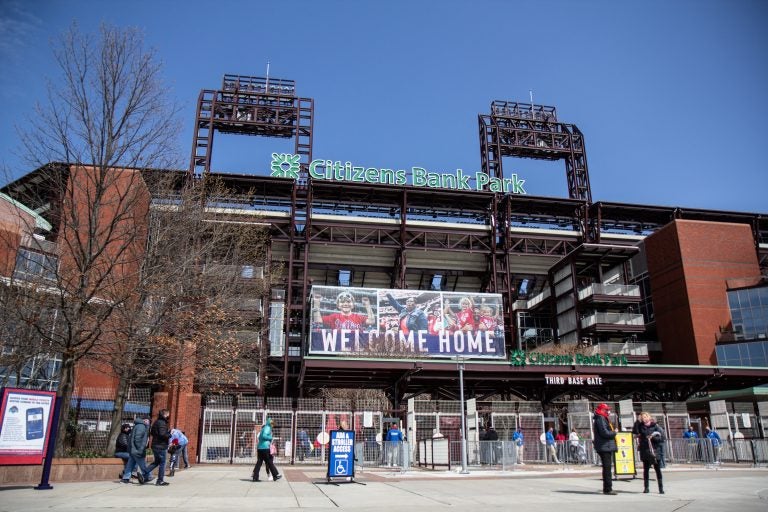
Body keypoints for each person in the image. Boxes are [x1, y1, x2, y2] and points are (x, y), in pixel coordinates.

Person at [633, 412, 665, 494]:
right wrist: (637, 421)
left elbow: (661, 437)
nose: (644, 418)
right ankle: (646, 488)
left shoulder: (655, 426)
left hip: (654, 450)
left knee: (657, 469)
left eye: (645, 416)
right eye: (642, 417)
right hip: (645, 450)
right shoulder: (640, 426)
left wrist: (653, 437)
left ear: (649, 417)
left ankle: (660, 488)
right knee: (646, 470)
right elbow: (635, 432)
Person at [593, 403, 618, 495]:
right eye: (607, 410)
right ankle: (608, 488)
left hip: (605, 445)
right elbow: (604, 432)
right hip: (604, 446)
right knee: (607, 468)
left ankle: (607, 487)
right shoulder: (601, 418)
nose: (608, 411)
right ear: (602, 410)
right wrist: (614, 433)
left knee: (607, 467)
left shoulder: (602, 418)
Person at [122, 417, 152, 484]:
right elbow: (137, 439)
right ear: (143, 420)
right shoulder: (141, 426)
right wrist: (140, 449)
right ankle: (148, 476)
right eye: (146, 420)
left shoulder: (139, 425)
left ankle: (126, 478)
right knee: (143, 464)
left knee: (130, 464)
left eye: (149, 421)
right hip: (137, 450)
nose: (148, 422)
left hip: (133, 449)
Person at [145, 409, 171, 486]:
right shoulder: (162, 423)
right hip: (161, 446)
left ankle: (144, 472)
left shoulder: (156, 422)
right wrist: (170, 434)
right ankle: (160, 480)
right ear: (165, 414)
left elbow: (152, 432)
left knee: (156, 462)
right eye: (168, 415)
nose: (168, 416)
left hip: (155, 445)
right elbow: (162, 434)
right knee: (162, 463)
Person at [252, 418, 281, 482]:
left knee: (259, 463)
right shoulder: (267, 428)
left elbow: (260, 437)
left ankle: (255, 477)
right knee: (270, 461)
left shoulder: (263, 428)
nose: (273, 425)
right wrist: (270, 438)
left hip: (260, 448)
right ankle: (276, 475)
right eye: (272, 424)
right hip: (265, 448)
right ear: (270, 423)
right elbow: (264, 436)